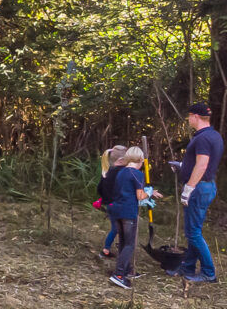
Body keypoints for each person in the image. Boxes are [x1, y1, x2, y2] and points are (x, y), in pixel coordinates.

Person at [167, 102, 224, 283]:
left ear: (196, 117)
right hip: (206, 185)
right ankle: (188, 267)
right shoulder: (213, 136)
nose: (188, 119)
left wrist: (189, 188)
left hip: (199, 188)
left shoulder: (202, 138)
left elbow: (202, 165)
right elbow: (202, 164)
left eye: (189, 116)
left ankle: (208, 272)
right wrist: (183, 167)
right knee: (194, 230)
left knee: (193, 233)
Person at [108, 146, 162, 290]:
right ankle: (119, 275)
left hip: (116, 211)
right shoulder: (137, 174)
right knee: (130, 244)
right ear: (140, 160)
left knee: (123, 242)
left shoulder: (121, 172)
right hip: (128, 212)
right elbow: (140, 196)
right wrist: (149, 193)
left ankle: (125, 270)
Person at [95, 145, 128, 258]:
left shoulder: (107, 171)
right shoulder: (122, 172)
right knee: (118, 229)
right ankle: (106, 250)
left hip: (110, 205)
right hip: (118, 205)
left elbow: (99, 188)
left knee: (116, 228)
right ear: (122, 159)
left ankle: (107, 250)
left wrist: (105, 199)